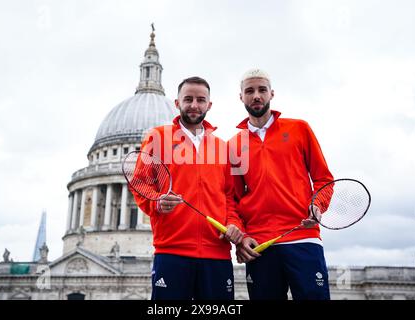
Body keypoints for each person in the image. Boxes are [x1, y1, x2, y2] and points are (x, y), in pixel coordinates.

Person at [132, 76, 244, 300]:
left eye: (201, 100)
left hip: (217, 253)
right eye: (188, 99)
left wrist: (233, 224)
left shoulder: (223, 147)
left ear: (209, 105)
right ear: (177, 103)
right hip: (172, 251)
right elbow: (140, 183)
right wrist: (157, 202)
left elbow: (230, 197)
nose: (194, 105)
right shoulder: (157, 137)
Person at [228, 68, 334, 300]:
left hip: (302, 236)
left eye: (261, 90)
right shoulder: (234, 145)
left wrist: (318, 205)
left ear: (271, 94)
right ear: (241, 97)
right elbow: (232, 199)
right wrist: (242, 236)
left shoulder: (299, 129)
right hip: (260, 244)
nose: (256, 95)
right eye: (250, 91)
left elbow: (324, 179)